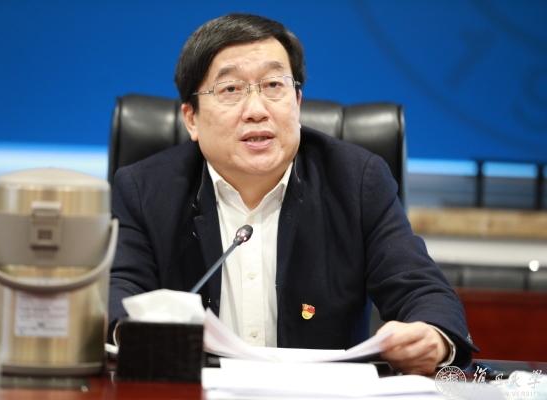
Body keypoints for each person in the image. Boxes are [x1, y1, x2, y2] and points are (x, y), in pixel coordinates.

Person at [108, 13, 478, 375]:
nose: (256, 110)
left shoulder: (356, 181)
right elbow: (115, 294)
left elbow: (423, 291)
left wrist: (432, 337)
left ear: (297, 103)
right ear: (191, 118)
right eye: (231, 89)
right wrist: (132, 333)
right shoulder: (143, 190)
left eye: (273, 85)